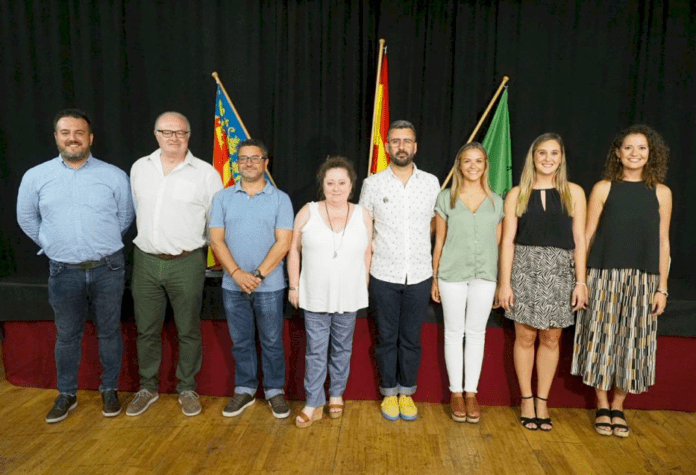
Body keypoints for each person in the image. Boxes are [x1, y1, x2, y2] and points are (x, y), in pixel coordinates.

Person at [16, 109, 134, 423]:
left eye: (79, 133)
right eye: (65, 132)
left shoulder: (114, 175)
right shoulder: (36, 176)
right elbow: (26, 218)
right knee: (67, 335)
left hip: (108, 269)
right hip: (63, 270)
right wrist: (51, 243)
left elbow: (125, 217)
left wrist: (101, 241)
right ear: (56, 137)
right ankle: (66, 394)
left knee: (109, 332)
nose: (72, 138)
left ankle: (109, 389)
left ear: (90, 138)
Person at [571, 125, 672, 438]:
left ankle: (618, 405)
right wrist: (581, 280)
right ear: (617, 153)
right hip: (603, 275)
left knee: (633, 343)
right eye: (628, 147)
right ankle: (602, 405)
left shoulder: (661, 192)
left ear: (650, 154)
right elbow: (586, 236)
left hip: (644, 279)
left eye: (641, 148)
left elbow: (663, 241)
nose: (634, 153)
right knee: (601, 339)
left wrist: (663, 287)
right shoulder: (604, 188)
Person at [127, 112, 223, 417]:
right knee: (146, 330)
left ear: (189, 136)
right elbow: (134, 209)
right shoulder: (139, 168)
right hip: (145, 261)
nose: (173, 138)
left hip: (187, 262)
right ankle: (147, 387)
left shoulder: (206, 174)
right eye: (167, 132)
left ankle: (187, 388)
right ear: (156, 134)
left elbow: (216, 222)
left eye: (180, 133)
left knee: (188, 331)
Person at [498, 133, 587, 431]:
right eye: (542, 153)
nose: (548, 159)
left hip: (561, 270)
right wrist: (505, 283)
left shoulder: (574, 192)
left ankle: (542, 401)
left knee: (551, 338)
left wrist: (581, 282)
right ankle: (526, 399)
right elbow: (507, 241)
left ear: (561, 158)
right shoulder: (517, 193)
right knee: (525, 338)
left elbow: (580, 240)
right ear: (533, 157)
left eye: (554, 153)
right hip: (524, 269)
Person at [359, 120, 440, 421]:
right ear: (387, 146)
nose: (401, 146)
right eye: (395, 141)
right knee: (386, 338)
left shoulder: (430, 183)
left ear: (415, 146)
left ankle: (406, 393)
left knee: (411, 339)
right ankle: (388, 393)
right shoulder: (372, 184)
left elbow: (436, 223)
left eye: (407, 141)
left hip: (419, 273)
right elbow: (364, 230)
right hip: (383, 274)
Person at [209, 138, 294, 419]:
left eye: (255, 158)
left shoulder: (281, 199)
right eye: (243, 158)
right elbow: (216, 240)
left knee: (272, 341)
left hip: (269, 286)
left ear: (265, 163)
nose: (249, 163)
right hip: (233, 285)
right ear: (237, 163)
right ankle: (245, 389)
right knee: (241, 342)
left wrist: (256, 276)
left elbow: (284, 242)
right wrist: (237, 274)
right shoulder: (222, 198)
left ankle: (274, 391)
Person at [287, 156, 372, 428]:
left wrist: (363, 285)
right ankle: (314, 402)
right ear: (322, 185)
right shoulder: (307, 211)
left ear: (351, 186)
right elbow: (293, 251)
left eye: (342, 183)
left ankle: (336, 394)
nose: (336, 188)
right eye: (330, 183)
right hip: (314, 295)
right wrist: (294, 286)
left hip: (349, 296)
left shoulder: (362, 214)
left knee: (342, 349)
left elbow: (368, 252)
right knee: (315, 351)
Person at [431, 143, 503, 423]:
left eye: (478, 161)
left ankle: (471, 392)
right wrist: (435, 277)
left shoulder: (497, 201)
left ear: (485, 165)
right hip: (451, 275)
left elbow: (498, 244)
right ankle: (456, 392)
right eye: (467, 161)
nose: (473, 166)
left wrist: (500, 281)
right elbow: (439, 241)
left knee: (476, 334)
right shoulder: (446, 198)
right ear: (459, 165)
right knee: (453, 332)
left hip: (485, 276)